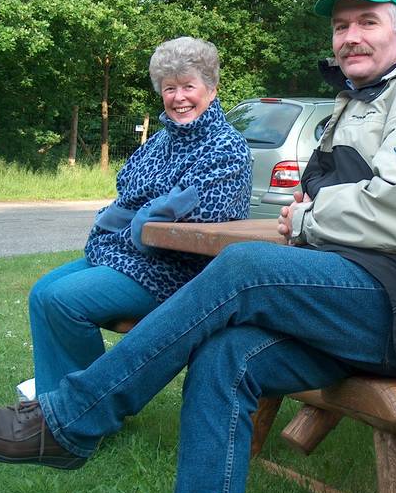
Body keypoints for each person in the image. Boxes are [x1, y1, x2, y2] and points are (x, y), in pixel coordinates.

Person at [0, 0, 396, 493]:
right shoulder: (355, 106)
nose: (351, 37)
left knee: (244, 268)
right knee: (225, 356)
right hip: (367, 303)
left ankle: (71, 418)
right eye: (341, 26)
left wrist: (312, 219)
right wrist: (311, 215)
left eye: (367, 22)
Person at [25, 36, 252, 396]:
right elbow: (127, 197)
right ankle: (55, 404)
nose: (179, 98)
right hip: (127, 256)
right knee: (41, 292)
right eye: (169, 88)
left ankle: (84, 406)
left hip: (179, 271)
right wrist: (150, 209)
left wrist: (143, 213)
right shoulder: (159, 143)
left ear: (211, 88)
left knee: (63, 299)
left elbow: (204, 211)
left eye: (188, 86)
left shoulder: (226, 146)